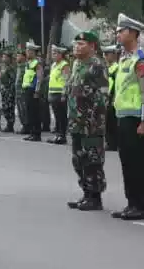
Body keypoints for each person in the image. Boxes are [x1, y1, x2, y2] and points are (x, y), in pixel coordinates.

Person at [109, 15, 144, 221]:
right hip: (123, 115)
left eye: (122, 31)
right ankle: (131, 202)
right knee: (126, 161)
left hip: (136, 119)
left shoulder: (140, 61)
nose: (118, 34)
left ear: (133, 33)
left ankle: (141, 205)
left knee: (138, 163)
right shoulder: (124, 59)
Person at [64, 32, 111, 211]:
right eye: (76, 43)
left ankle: (95, 196)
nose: (76, 46)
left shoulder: (97, 65)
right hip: (76, 120)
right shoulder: (76, 64)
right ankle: (85, 192)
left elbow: (103, 95)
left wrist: (93, 119)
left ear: (92, 46)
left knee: (93, 159)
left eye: (81, 43)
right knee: (78, 158)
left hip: (91, 123)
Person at [48, 45, 70, 145]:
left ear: (61, 54)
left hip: (60, 94)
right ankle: (57, 134)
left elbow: (66, 80)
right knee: (56, 116)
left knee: (61, 116)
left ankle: (62, 135)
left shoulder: (64, 65)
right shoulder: (53, 65)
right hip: (52, 93)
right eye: (53, 53)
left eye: (55, 53)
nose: (53, 55)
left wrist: (64, 94)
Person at [20, 42, 42, 140]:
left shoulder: (37, 63)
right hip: (27, 89)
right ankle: (32, 132)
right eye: (27, 50)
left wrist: (37, 90)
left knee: (34, 112)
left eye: (29, 51)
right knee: (29, 112)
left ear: (33, 52)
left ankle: (36, 133)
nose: (27, 52)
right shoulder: (28, 63)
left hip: (33, 90)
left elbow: (39, 77)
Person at [102, 43, 122, 153]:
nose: (105, 56)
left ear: (114, 55)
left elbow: (117, 85)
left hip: (113, 98)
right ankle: (109, 142)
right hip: (106, 97)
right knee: (108, 122)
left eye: (107, 54)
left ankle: (113, 143)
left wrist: (114, 99)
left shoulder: (116, 68)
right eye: (104, 54)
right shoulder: (108, 68)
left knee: (112, 122)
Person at [0, 47, 18, 133]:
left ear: (9, 58)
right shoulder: (3, 66)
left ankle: (10, 125)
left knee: (9, 108)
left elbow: (13, 80)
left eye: (5, 57)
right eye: (3, 57)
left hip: (9, 91)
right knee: (4, 108)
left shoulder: (11, 68)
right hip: (4, 90)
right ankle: (8, 123)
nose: (4, 58)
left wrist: (10, 91)